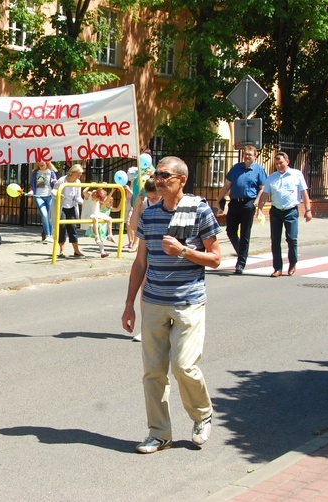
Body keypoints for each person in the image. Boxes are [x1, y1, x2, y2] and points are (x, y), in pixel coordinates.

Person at [120, 156, 222, 455]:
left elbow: (215, 258)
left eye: (166, 175)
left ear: (182, 180)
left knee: (184, 366)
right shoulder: (150, 215)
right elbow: (140, 262)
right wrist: (129, 305)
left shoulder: (199, 210)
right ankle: (159, 433)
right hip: (154, 302)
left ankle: (202, 414)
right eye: (158, 175)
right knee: (153, 372)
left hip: (188, 301)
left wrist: (185, 251)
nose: (160, 180)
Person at [257, 151, 313, 277]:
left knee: (292, 239)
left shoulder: (296, 174)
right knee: (275, 240)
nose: (279, 166)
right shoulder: (271, 177)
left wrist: (308, 210)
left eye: (281, 163)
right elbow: (265, 194)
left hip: (291, 211)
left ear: (287, 162)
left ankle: (293, 262)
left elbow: (304, 193)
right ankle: (277, 268)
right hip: (276, 211)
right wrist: (259, 209)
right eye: (276, 164)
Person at [217, 145, 267, 274]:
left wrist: (256, 203)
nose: (247, 156)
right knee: (230, 231)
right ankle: (242, 253)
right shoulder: (236, 168)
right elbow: (227, 184)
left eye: (250, 154)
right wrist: (219, 199)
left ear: (255, 156)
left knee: (245, 234)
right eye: (245, 154)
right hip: (234, 203)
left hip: (248, 203)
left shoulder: (258, 170)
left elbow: (262, 188)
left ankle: (240, 264)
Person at [126, 176, 160, 342]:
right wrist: (138, 204)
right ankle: (145, 329)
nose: (153, 200)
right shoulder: (146, 203)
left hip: (162, 252)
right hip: (147, 250)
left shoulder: (165, 205)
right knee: (144, 289)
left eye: (156, 197)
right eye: (150, 196)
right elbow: (133, 226)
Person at [53, 164, 85, 258]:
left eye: (80, 175)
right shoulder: (61, 181)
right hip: (62, 207)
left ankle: (76, 251)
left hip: (71, 207)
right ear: (72, 172)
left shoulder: (77, 182)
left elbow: (78, 197)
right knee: (62, 228)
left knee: (72, 228)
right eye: (78, 174)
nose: (79, 177)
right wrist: (58, 195)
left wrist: (83, 202)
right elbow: (53, 191)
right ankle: (61, 251)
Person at [82, 186, 116, 258]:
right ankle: (97, 237)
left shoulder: (98, 198)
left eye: (98, 200)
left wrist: (103, 186)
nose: (97, 201)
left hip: (96, 215)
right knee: (98, 233)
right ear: (95, 194)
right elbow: (84, 192)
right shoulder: (89, 195)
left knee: (109, 219)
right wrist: (89, 185)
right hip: (89, 215)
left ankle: (109, 235)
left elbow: (105, 199)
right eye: (97, 199)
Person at [28, 161, 57, 243]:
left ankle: (51, 235)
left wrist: (55, 182)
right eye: (39, 165)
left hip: (49, 196)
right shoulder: (35, 173)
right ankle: (48, 235)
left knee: (50, 216)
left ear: (47, 163)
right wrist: (31, 191)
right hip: (38, 196)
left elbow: (55, 184)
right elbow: (32, 184)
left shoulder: (51, 172)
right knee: (44, 215)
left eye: (43, 165)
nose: (41, 167)